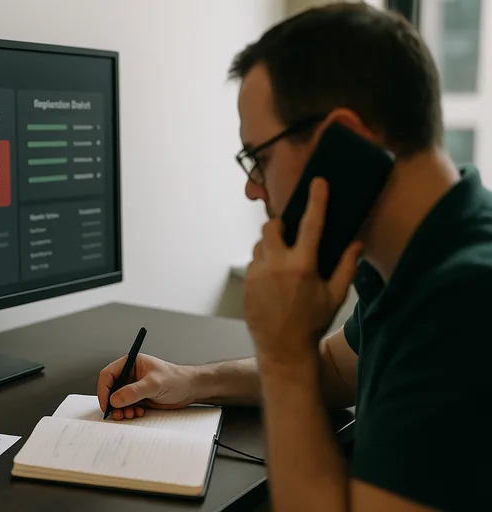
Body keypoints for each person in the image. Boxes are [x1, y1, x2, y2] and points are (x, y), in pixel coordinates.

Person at [97, 3, 488, 511]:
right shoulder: (427, 254)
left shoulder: (464, 307)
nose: (252, 190)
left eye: (259, 158)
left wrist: (282, 353)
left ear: (344, 141)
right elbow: (333, 367)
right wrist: (189, 381)